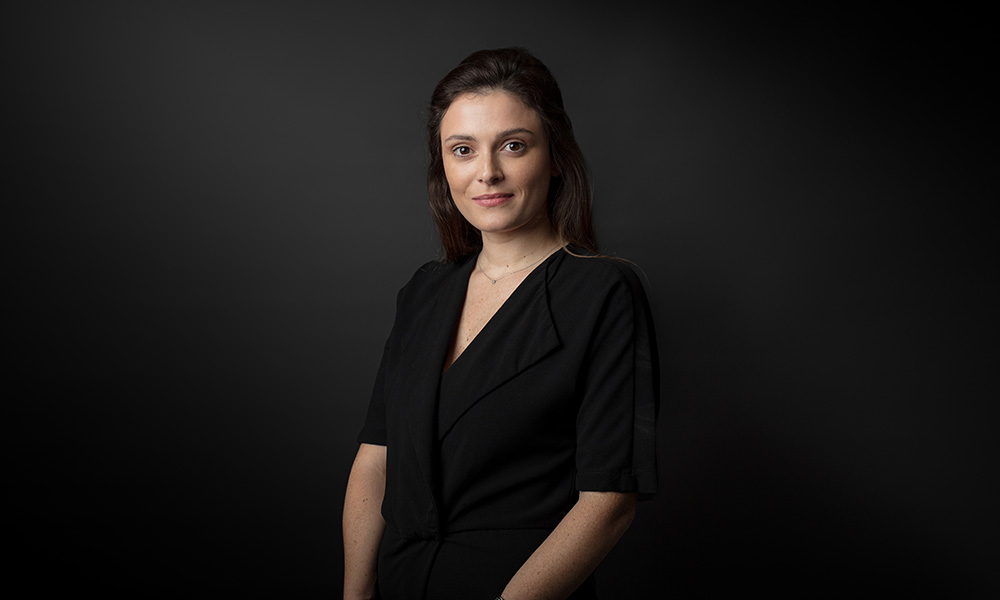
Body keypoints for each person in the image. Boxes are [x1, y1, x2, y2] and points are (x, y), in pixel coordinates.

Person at [343, 47, 659, 600]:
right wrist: (356, 593)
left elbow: (608, 503)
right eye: (462, 150)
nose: (487, 172)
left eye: (513, 145)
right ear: (443, 166)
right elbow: (376, 459)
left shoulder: (603, 291)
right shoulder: (424, 291)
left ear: (555, 156)